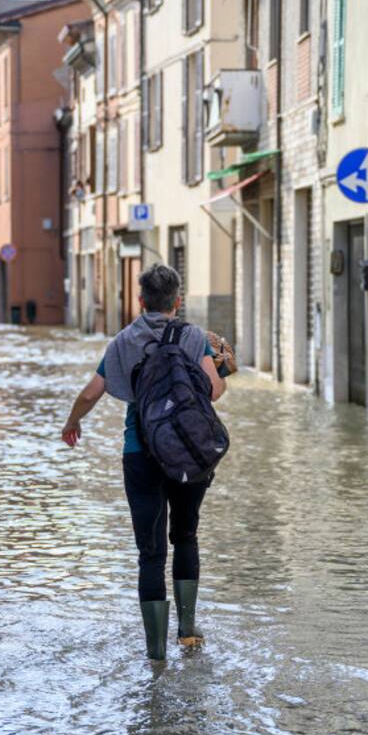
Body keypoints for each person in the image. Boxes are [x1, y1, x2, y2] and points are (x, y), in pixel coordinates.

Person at [61, 264, 236, 662]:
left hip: (140, 452)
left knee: (150, 552)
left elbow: (91, 393)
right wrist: (222, 367)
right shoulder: (193, 337)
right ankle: (188, 632)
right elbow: (213, 390)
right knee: (186, 536)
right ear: (178, 300)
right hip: (189, 453)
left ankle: (155, 653)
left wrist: (72, 422)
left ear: (140, 301)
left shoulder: (123, 340)